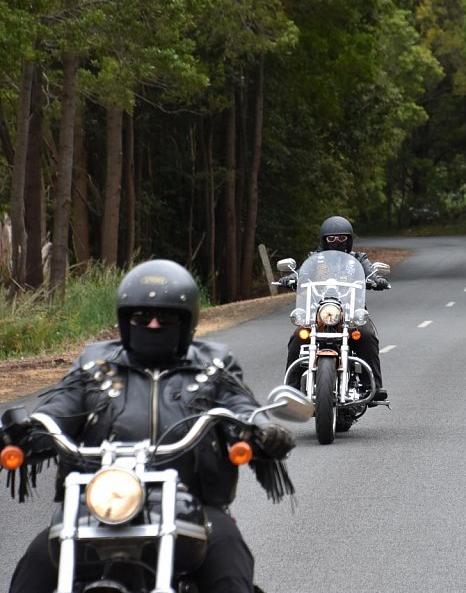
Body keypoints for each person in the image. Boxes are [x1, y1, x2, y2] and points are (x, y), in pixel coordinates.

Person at [6, 259, 296, 593]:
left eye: (168, 317)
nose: (154, 324)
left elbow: (240, 406)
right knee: (34, 570)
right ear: (125, 321)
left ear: (186, 322)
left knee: (229, 569)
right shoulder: (95, 364)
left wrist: (258, 430)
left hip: (194, 506)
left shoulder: (213, 365)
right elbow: (59, 409)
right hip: (97, 507)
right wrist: (27, 431)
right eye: (141, 317)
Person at [282, 216, 390, 401]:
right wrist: (292, 278)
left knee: (366, 335)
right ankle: (291, 389)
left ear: (349, 240)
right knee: (297, 338)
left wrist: (375, 280)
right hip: (318, 314)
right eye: (332, 238)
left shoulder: (357, 258)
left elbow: (368, 270)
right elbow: (303, 273)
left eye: (342, 238)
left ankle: (374, 386)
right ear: (324, 240)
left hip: (351, 315)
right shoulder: (315, 259)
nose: (337, 242)